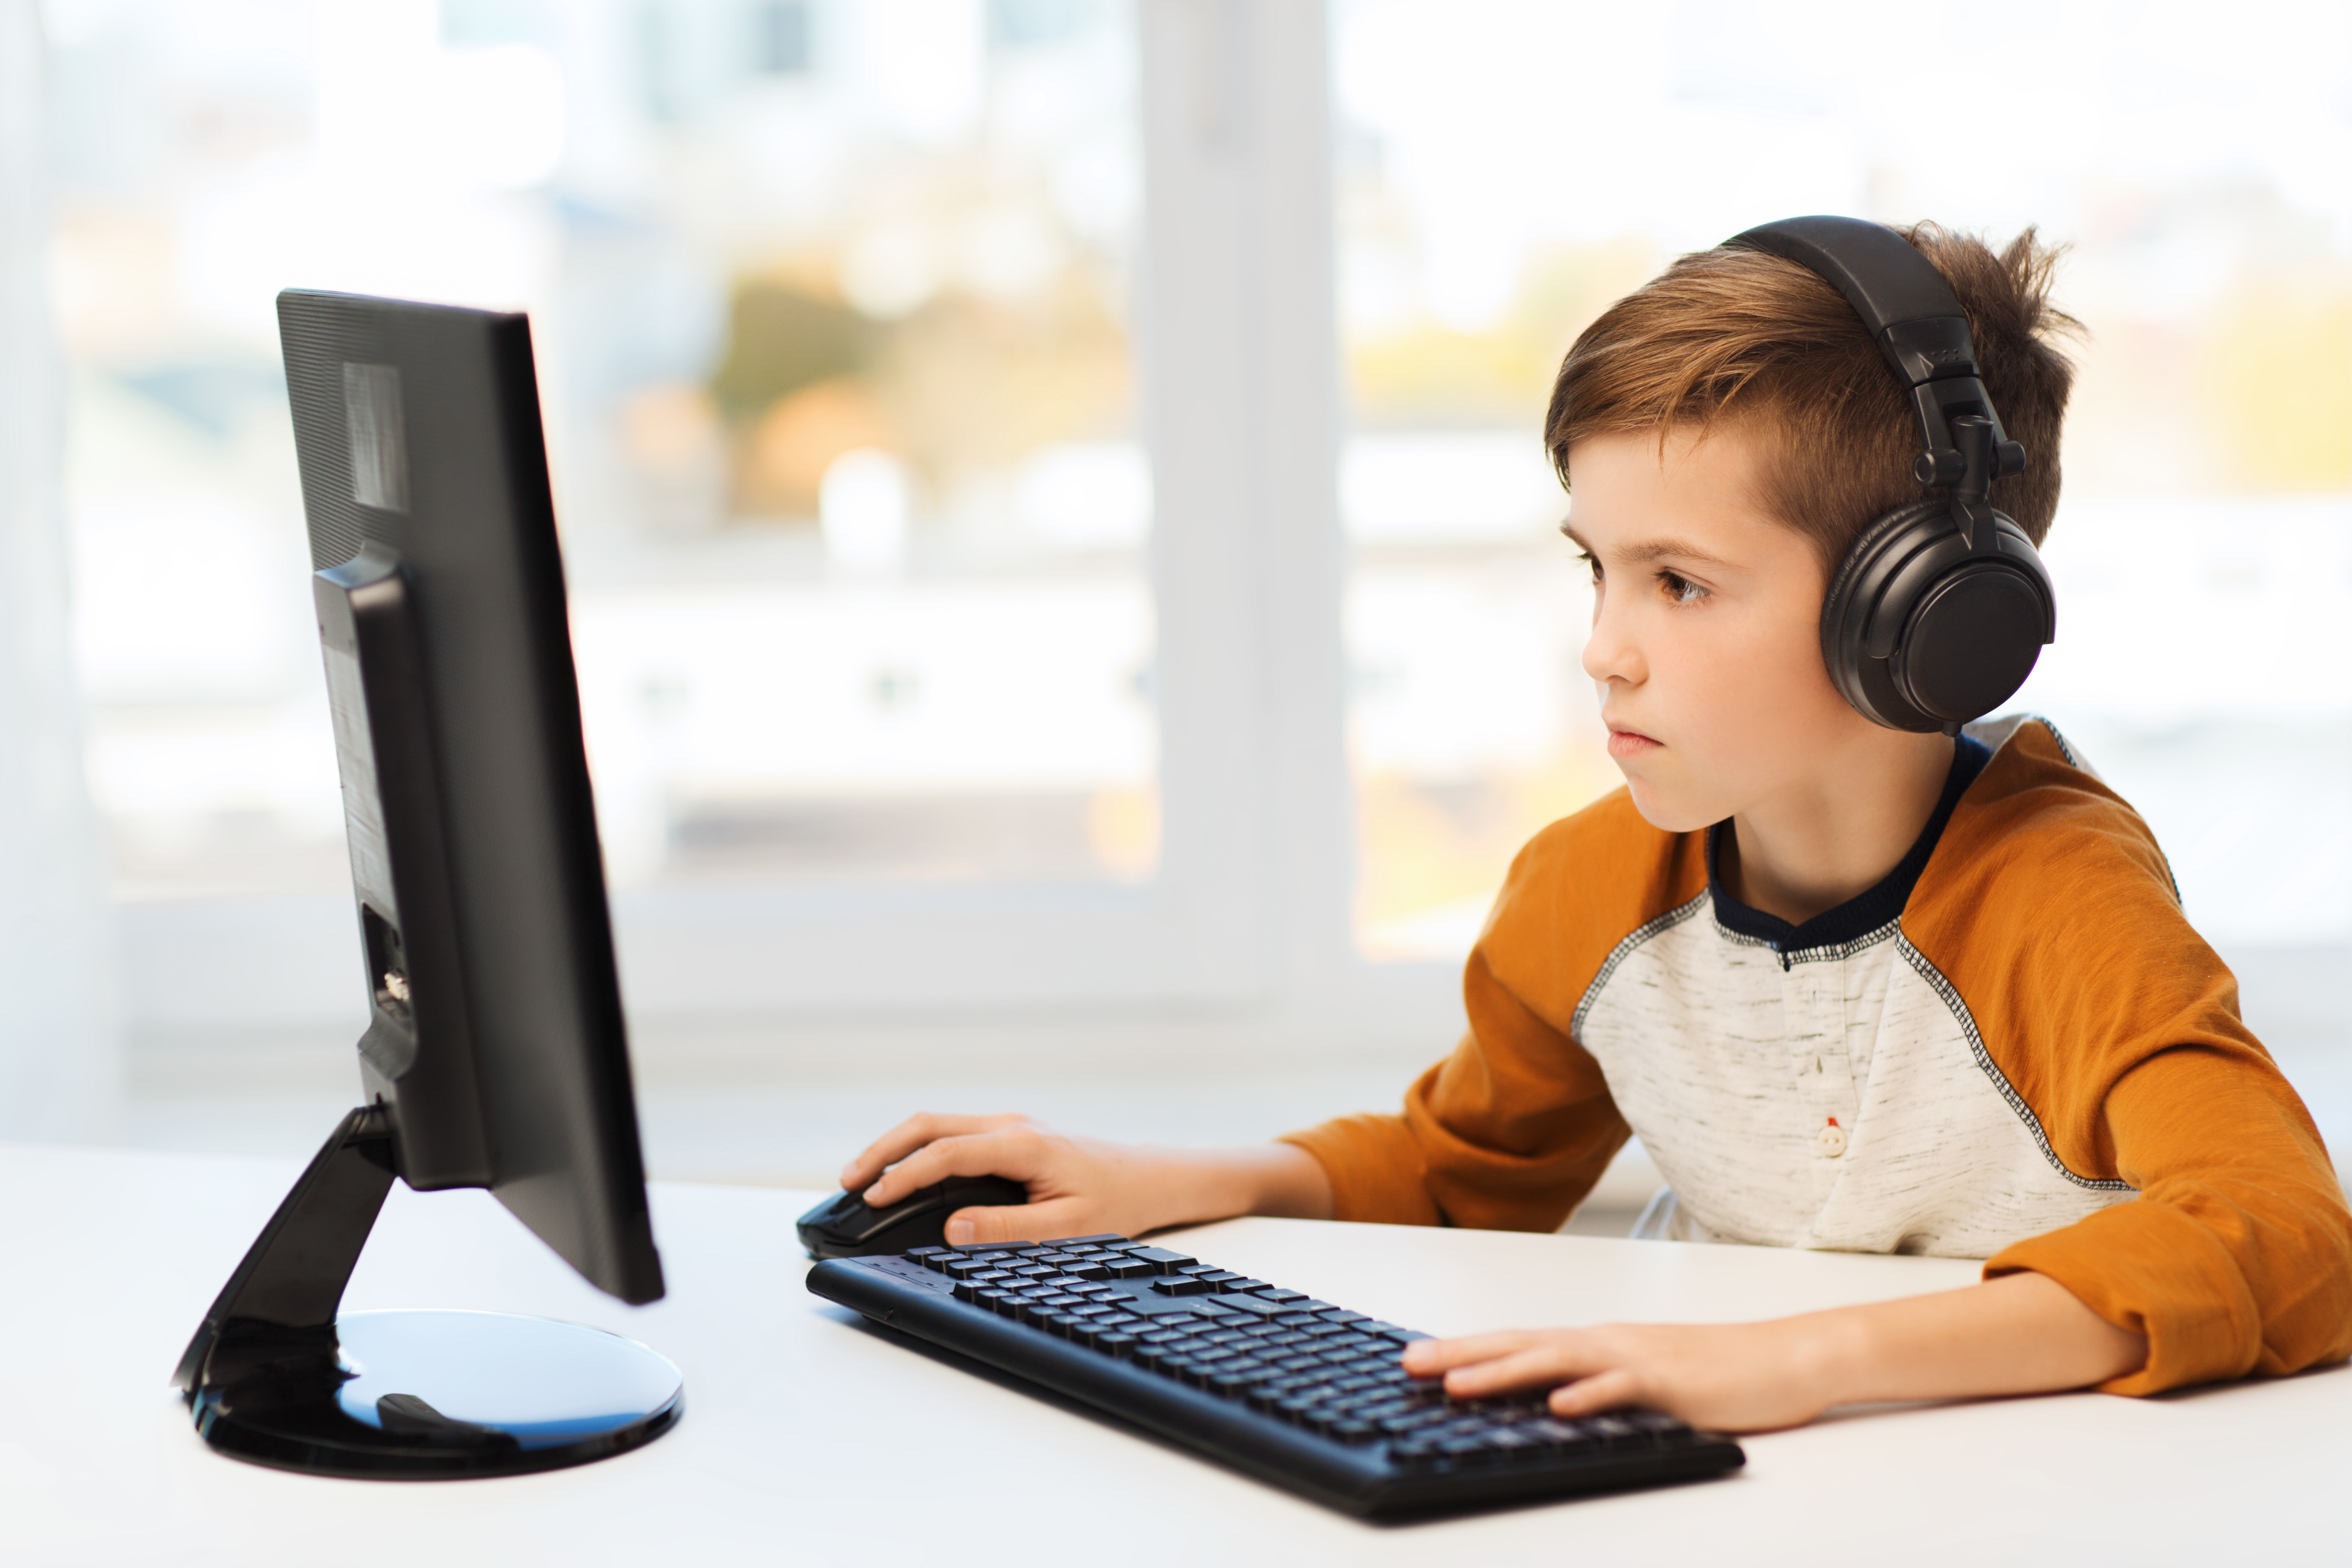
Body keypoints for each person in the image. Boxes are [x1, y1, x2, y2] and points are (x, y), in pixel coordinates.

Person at [835, 222, 2352, 1433]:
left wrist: (1799, 1363)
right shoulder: (1591, 887)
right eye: (1597, 572)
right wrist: (1183, 1178)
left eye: (1679, 583)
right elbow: (1460, 1169)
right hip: (1736, 1481)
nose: (1604, 649)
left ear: (1929, 621)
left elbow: (2289, 1237)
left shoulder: (2053, 903)